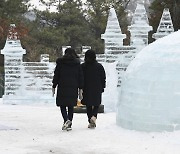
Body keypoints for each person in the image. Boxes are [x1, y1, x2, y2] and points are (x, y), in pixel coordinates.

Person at [52, 48, 84, 131]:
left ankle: (66, 120)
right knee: (70, 106)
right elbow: (80, 76)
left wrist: (54, 85)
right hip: (73, 87)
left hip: (62, 86)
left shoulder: (60, 63)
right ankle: (69, 123)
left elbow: (56, 75)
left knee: (62, 105)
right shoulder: (77, 64)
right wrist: (80, 88)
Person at [81, 49, 106, 129]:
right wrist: (103, 86)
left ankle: (90, 120)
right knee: (96, 104)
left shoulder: (83, 66)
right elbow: (103, 77)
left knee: (88, 105)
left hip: (87, 87)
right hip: (97, 87)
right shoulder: (99, 66)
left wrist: (80, 86)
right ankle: (94, 117)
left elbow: (80, 77)